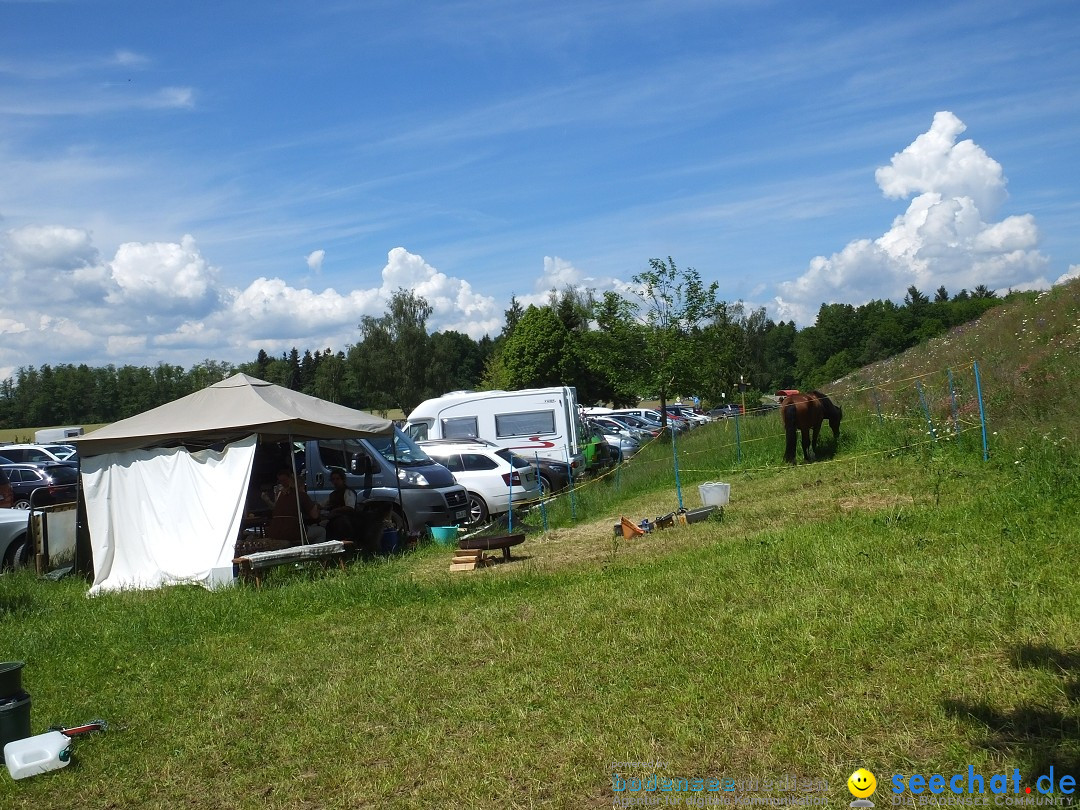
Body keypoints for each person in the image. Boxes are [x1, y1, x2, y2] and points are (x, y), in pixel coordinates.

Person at [264, 468, 326, 548]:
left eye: (284, 481)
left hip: (275, 531)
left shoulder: (281, 495)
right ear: (303, 485)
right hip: (291, 532)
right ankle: (316, 554)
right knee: (321, 531)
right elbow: (315, 516)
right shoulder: (301, 495)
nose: (283, 483)